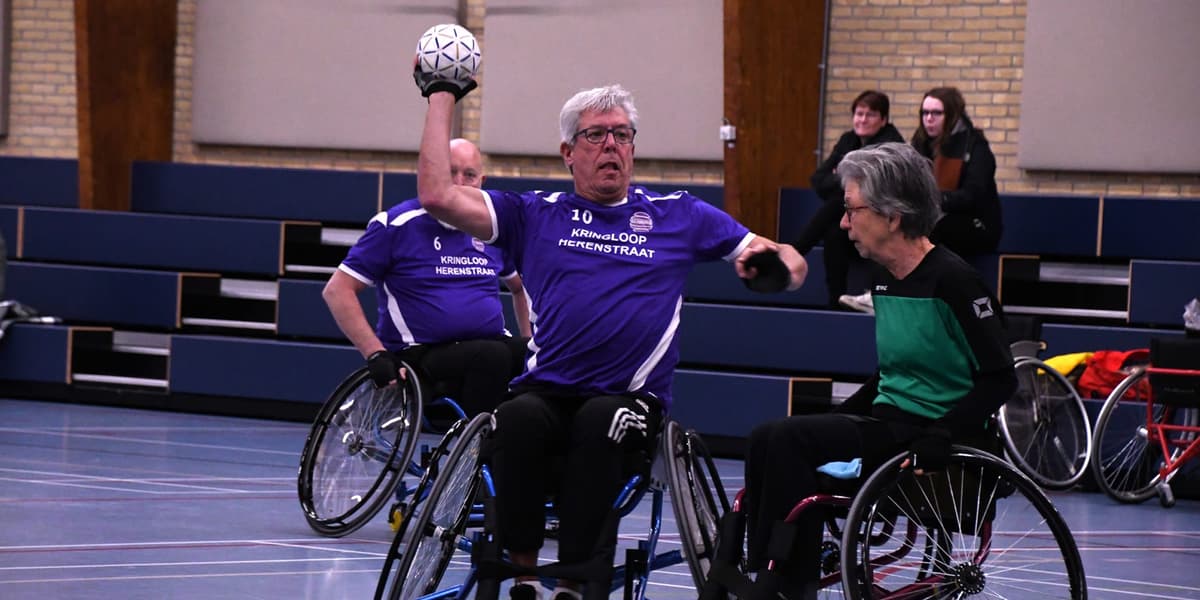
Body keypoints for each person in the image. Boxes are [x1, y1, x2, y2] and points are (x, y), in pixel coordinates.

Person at [411, 71, 807, 600]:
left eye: (622, 135)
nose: (611, 145)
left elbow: (788, 259)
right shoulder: (534, 215)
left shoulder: (677, 215)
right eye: (596, 135)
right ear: (568, 152)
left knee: (601, 421)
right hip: (548, 391)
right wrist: (441, 95)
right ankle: (522, 577)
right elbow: (438, 196)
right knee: (516, 419)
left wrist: (778, 267)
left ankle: (574, 583)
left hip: (629, 399)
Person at [743, 142, 1016, 599]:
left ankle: (790, 585)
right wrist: (838, 417)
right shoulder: (885, 279)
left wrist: (944, 432)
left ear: (893, 216)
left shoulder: (954, 281)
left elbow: (1001, 378)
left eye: (852, 210)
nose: (843, 223)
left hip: (933, 436)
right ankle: (765, 570)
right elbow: (893, 373)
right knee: (766, 437)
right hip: (890, 425)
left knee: (789, 440)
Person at [322, 138, 531, 418]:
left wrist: (529, 339)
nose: (459, 183)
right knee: (492, 356)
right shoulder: (396, 225)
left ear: (481, 182)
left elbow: (520, 288)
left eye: (469, 175)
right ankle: (483, 439)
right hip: (420, 355)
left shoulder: (489, 229)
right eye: (450, 172)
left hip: (489, 345)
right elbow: (337, 290)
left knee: (539, 356)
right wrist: (375, 353)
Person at [840, 87, 1002, 314]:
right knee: (885, 223)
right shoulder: (920, 143)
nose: (929, 119)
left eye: (936, 113)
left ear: (952, 115)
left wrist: (929, 200)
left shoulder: (975, 145)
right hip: (936, 214)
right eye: (925, 113)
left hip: (976, 224)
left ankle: (914, 294)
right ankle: (883, 291)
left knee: (930, 227)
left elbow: (972, 196)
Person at [794, 90, 904, 308]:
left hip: (881, 222)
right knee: (834, 232)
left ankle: (796, 251)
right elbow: (818, 180)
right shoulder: (848, 140)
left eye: (870, 115)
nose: (862, 120)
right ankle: (836, 301)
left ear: (883, 120)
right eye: (859, 114)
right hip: (853, 220)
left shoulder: (891, 144)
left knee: (839, 201)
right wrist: (849, 179)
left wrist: (842, 176)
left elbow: (875, 190)